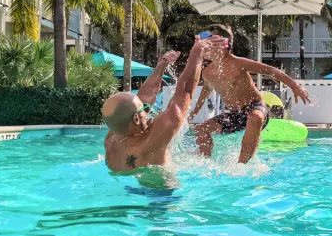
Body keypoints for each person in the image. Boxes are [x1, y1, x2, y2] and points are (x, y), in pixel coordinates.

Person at [102, 35, 228, 175]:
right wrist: (197, 53)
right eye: (144, 108)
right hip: (162, 195)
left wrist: (163, 63)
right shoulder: (152, 140)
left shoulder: (111, 138)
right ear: (136, 119)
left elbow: (143, 97)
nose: (147, 108)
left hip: (129, 189)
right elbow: (185, 93)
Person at [189, 24, 310, 164]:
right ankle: (205, 163)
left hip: (255, 107)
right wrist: (194, 112)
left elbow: (271, 70)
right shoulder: (207, 72)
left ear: (223, 44)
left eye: (207, 39)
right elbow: (206, 91)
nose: (203, 44)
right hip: (236, 114)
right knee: (201, 129)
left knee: (255, 117)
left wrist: (294, 86)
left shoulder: (238, 63)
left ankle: (242, 166)